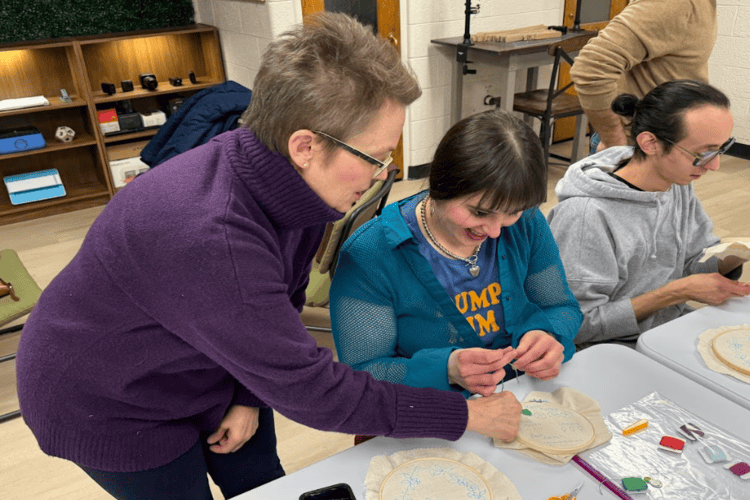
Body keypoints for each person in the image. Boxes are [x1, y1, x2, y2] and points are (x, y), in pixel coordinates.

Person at [17, 14, 525, 500]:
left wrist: (247, 396)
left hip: (206, 362)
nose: (380, 176)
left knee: (265, 484)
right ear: (305, 145)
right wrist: (465, 417)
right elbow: (315, 392)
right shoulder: (210, 237)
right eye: (375, 157)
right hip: (110, 398)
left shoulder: (291, 187)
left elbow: (282, 304)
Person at [329, 109, 583, 401]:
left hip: (521, 396)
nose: (495, 231)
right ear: (441, 186)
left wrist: (550, 336)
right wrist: (446, 369)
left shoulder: (526, 222)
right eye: (479, 212)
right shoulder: (370, 254)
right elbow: (363, 372)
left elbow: (561, 306)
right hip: (425, 411)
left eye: (512, 212)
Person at [547, 80, 750, 349]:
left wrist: (738, 252)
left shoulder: (676, 185)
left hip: (663, 330)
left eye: (721, 149)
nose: (715, 165)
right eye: (703, 154)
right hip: (607, 350)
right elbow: (575, 326)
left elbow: (694, 261)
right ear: (650, 143)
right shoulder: (586, 216)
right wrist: (677, 291)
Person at [570, 0, 717, 153]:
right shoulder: (676, 4)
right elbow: (592, 67)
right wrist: (615, 144)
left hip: (666, 143)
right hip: (643, 150)